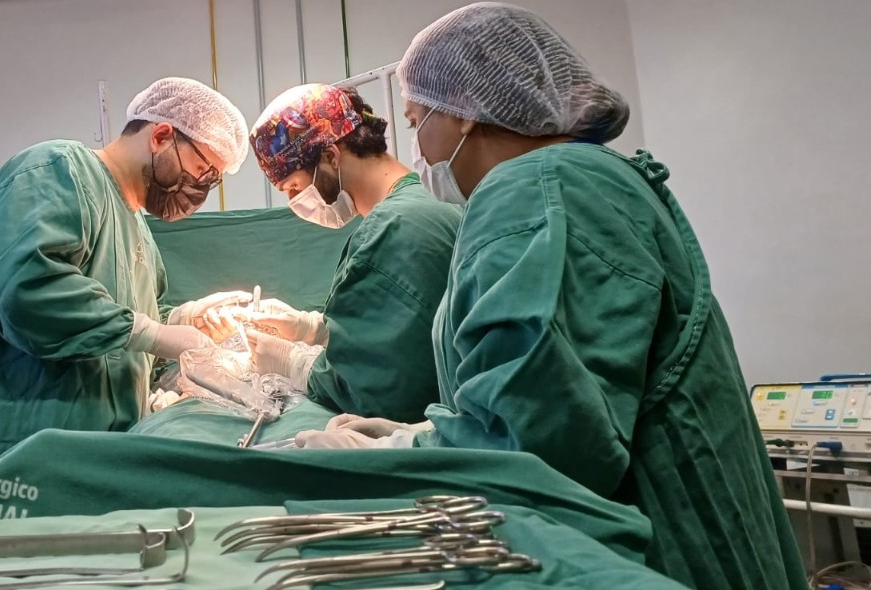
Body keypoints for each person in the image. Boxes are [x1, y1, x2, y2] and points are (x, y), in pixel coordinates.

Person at [293, 4, 807, 588]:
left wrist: (403, 452)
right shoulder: (576, 179)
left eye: (416, 122)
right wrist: (419, 435)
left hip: (654, 551)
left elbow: (538, 437)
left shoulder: (539, 190)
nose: (420, 150)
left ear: (461, 113)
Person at [0, 78, 249, 525]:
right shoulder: (57, 169)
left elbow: (125, 341)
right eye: (202, 170)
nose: (202, 187)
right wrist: (155, 333)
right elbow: (25, 289)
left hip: (78, 465)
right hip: (1, 454)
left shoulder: (141, 237)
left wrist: (186, 321)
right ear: (160, 136)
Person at [209, 83, 463, 423]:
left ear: (330, 156)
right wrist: (312, 329)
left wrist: (293, 361)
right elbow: (408, 330)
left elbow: (374, 388)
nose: (295, 203)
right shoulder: (423, 203)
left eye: (295, 188)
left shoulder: (395, 228)